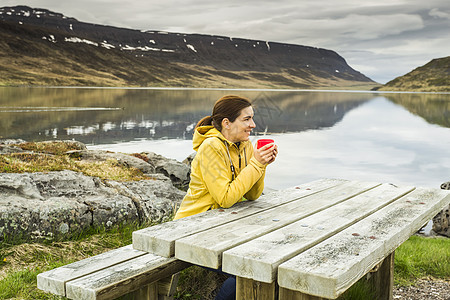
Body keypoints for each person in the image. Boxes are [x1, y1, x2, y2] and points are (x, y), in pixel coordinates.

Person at [173, 95, 278, 300]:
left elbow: (253, 194)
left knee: (269, 261)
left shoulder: (245, 145)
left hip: (221, 226)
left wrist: (261, 164)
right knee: (249, 273)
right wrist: (255, 165)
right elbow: (225, 198)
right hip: (193, 228)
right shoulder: (211, 147)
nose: (253, 125)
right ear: (226, 123)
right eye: (246, 119)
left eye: (252, 118)